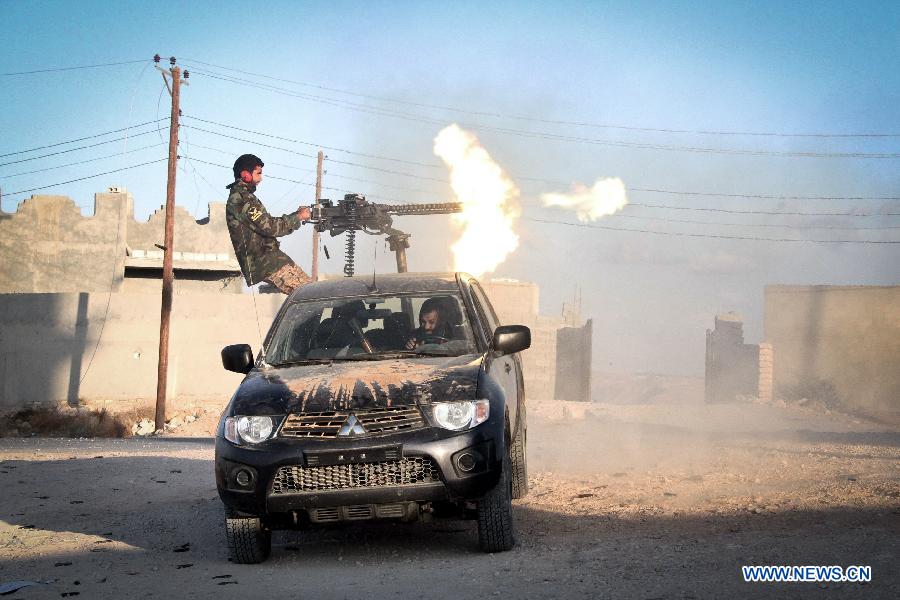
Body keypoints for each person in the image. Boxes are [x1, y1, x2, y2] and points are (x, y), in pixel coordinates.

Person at [226, 154, 312, 294]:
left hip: (270, 260)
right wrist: (298, 217)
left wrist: (296, 216)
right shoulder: (242, 199)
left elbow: (266, 223)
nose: (261, 178)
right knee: (310, 294)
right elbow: (270, 227)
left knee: (311, 293)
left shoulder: (244, 197)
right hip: (266, 262)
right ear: (246, 175)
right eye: (258, 173)